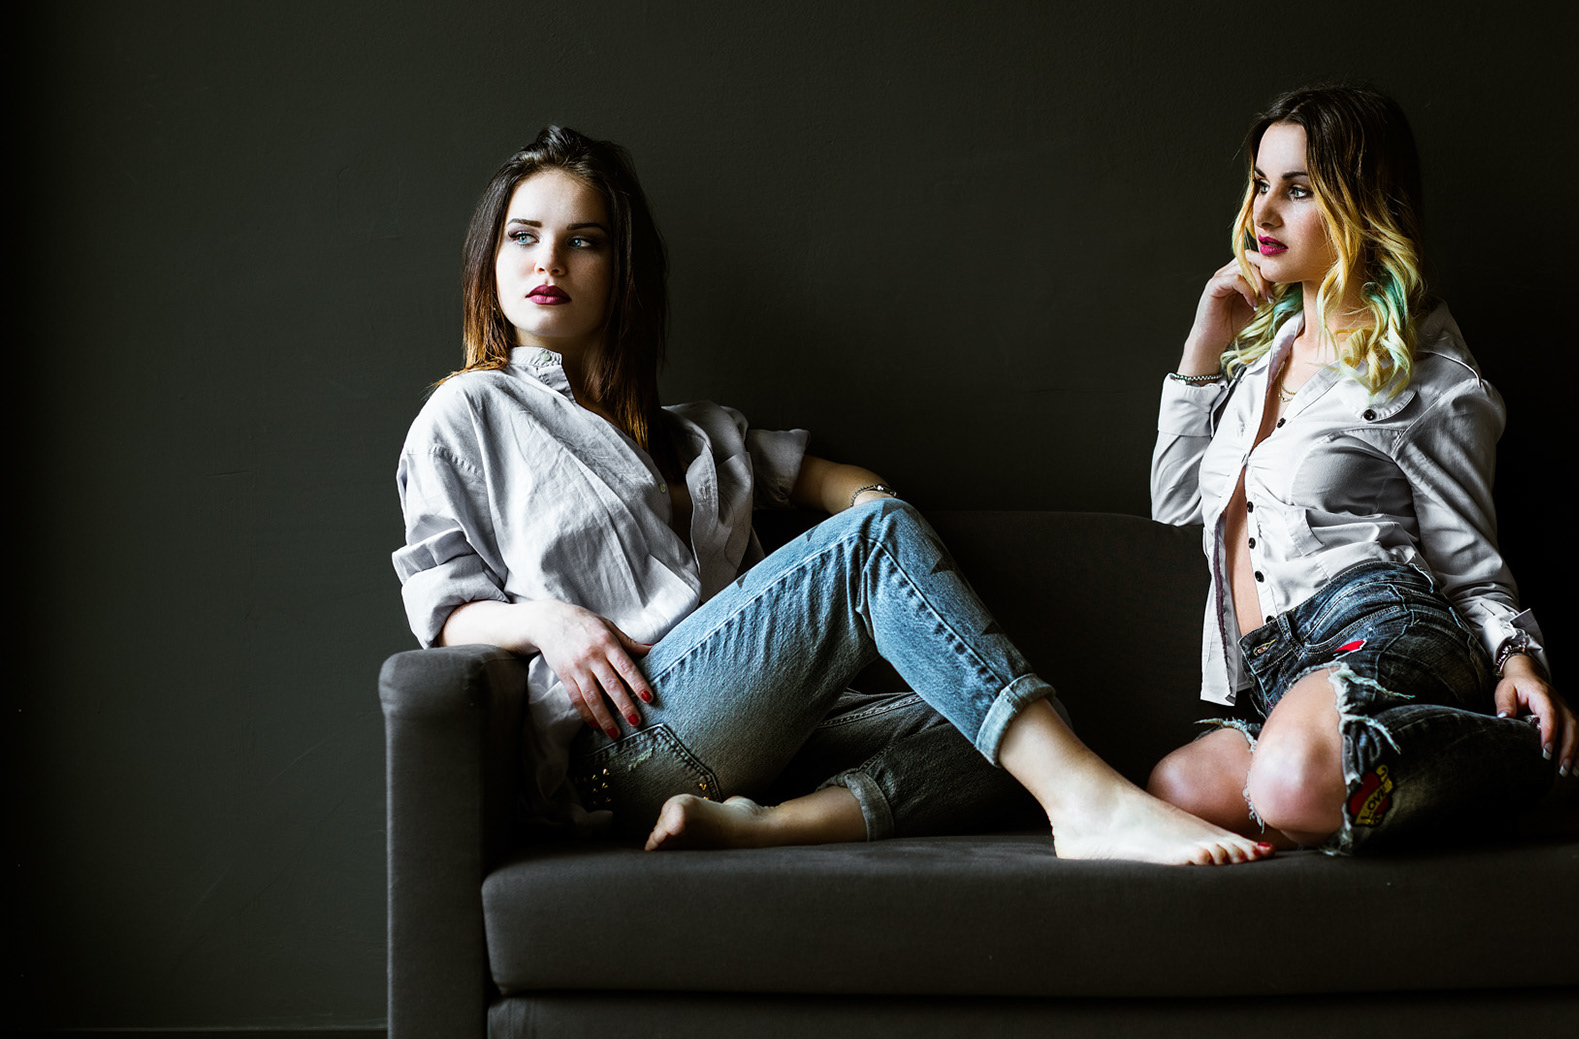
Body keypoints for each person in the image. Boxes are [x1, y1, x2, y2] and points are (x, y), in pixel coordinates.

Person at [393, 125, 1270, 866]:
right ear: (489, 259)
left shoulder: (696, 434)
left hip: (750, 739)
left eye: (583, 240)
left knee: (998, 716)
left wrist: (887, 523)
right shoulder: (469, 411)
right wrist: (546, 621)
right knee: (882, 554)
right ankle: (1090, 805)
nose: (548, 260)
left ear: (622, 271)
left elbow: (830, 482)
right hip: (620, 740)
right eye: (523, 236)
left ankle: (766, 828)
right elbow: (443, 605)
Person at [1144, 85, 1579, 853]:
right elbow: (1177, 508)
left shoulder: (1428, 376)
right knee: (1178, 792)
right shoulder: (1258, 364)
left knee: (1288, 785)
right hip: (1276, 672)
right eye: (1260, 183)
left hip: (1380, 628)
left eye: (1298, 189)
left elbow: (1471, 567)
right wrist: (1203, 348)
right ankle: (1442, 795)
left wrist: (1520, 663)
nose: (1262, 214)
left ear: (1362, 204)